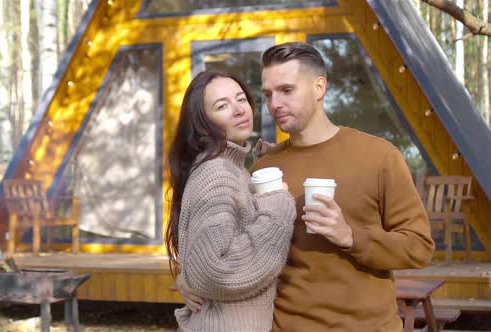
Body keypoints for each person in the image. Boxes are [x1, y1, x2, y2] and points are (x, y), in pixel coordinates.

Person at [178, 42, 435, 331]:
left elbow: (419, 247)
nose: (274, 104)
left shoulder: (380, 156)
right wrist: (191, 278)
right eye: (267, 94)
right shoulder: (263, 169)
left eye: (287, 90)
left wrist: (351, 236)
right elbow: (228, 246)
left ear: (319, 87)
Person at [166, 69, 297, 332]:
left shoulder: (232, 169)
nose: (238, 110)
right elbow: (214, 269)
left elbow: (206, 259)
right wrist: (278, 207)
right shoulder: (217, 173)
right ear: (203, 124)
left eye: (241, 99)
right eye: (222, 105)